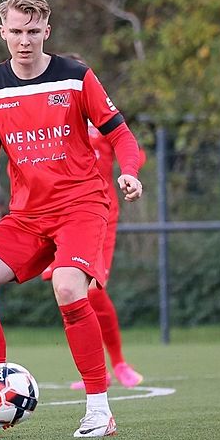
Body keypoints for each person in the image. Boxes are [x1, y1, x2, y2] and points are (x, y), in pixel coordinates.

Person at [0, 0, 143, 438]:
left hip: (81, 207)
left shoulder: (75, 77)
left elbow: (123, 136)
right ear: (2, 32)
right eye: (16, 31)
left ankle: (98, 409)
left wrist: (129, 173)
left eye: (33, 32)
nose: (24, 40)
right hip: (27, 216)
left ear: (47, 31)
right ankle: (0, 404)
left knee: (70, 287)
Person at [41, 52, 145, 391]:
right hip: (58, 214)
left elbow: (131, 147)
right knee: (74, 293)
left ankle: (118, 364)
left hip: (99, 215)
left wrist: (129, 172)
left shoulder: (100, 119)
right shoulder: (49, 119)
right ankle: (95, 369)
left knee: (92, 291)